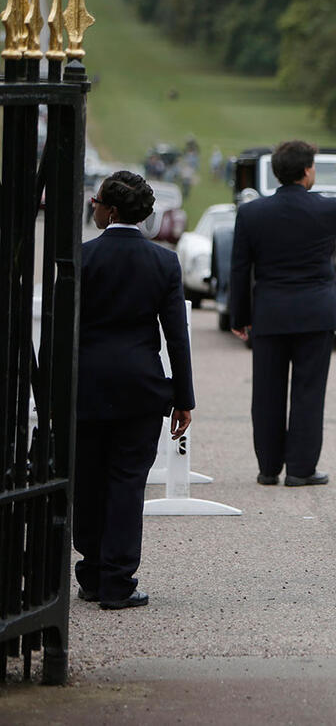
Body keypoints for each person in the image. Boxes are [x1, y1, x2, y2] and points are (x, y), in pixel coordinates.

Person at [75, 171, 195, 610]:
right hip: (139, 389)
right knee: (127, 483)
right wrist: (184, 398)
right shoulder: (164, 262)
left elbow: (58, 328)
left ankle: (89, 570)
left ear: (108, 210)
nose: (92, 208)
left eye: (95, 202)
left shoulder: (81, 257)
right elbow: (176, 337)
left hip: (85, 384)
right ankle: (117, 580)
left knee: (88, 478)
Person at [230, 140, 336, 487]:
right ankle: (301, 469)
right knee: (308, 392)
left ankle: (268, 467)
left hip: (270, 312)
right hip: (315, 313)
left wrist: (239, 316)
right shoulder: (325, 209)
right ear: (307, 171)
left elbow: (240, 269)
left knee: (266, 393)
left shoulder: (251, 213)